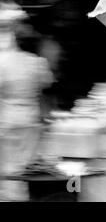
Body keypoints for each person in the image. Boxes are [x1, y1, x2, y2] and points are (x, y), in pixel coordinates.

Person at [0, 10, 54, 201]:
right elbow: (45, 88)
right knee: (26, 165)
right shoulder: (38, 63)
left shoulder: (4, 62)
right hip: (30, 120)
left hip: (8, 120)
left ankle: (12, 196)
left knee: (8, 166)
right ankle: (22, 196)